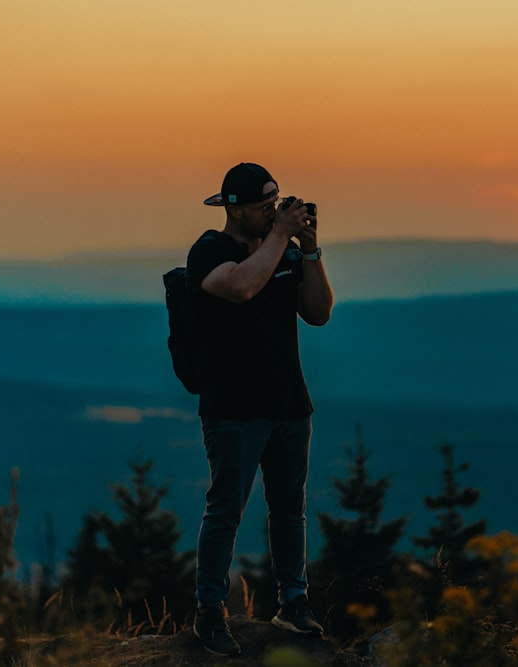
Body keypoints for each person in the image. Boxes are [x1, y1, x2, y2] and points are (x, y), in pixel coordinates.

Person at [187, 162, 334, 656]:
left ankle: (294, 603)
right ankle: (209, 611)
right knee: (225, 510)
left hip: (290, 403)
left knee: (289, 510)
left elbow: (318, 313)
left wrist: (309, 250)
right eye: (264, 208)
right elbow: (242, 286)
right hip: (233, 407)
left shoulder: (287, 253)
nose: (273, 214)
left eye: (277, 204)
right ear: (235, 208)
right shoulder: (209, 251)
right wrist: (281, 238)